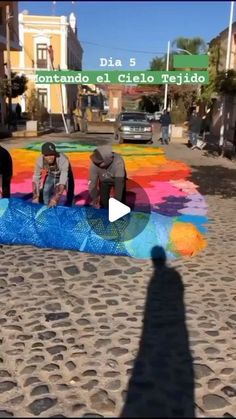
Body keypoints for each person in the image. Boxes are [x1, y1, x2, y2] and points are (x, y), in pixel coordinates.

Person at [32, 142, 74, 207]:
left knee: (70, 193)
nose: (49, 157)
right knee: (45, 190)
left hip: (65, 174)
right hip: (51, 174)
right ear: (43, 155)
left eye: (52, 154)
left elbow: (63, 181)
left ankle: (70, 209)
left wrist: (55, 198)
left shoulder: (63, 160)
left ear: (55, 154)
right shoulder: (39, 160)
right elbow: (36, 177)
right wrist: (35, 196)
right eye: (46, 155)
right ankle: (46, 208)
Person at [88, 145, 126, 209]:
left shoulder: (118, 163)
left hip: (117, 179)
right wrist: (95, 198)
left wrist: (117, 204)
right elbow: (92, 184)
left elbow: (119, 185)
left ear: (107, 159)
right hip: (104, 181)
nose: (96, 164)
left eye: (99, 163)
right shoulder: (94, 164)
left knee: (121, 200)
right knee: (103, 202)